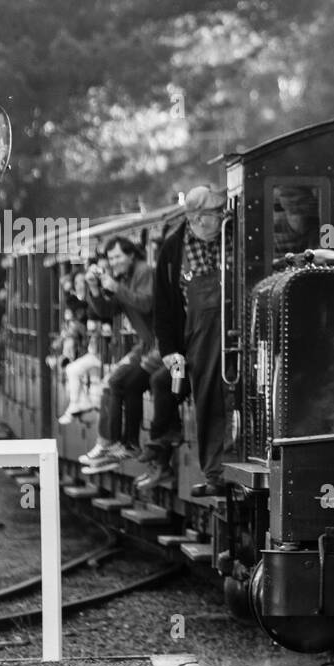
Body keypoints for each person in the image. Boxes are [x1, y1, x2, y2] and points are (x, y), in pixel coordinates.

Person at [153, 185, 230, 497]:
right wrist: (169, 350)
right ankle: (216, 471)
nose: (223, 216)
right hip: (199, 336)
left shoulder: (231, 233)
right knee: (208, 398)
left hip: (237, 325)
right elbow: (164, 305)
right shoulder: (173, 251)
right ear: (197, 219)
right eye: (215, 214)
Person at [78, 237, 158, 475]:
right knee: (115, 383)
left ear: (131, 255)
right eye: (110, 258)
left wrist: (115, 288)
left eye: (117, 257)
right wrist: (94, 288)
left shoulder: (144, 272)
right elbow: (107, 310)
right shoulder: (122, 278)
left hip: (160, 344)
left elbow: (146, 304)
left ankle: (118, 443)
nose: (113, 262)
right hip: (146, 344)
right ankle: (115, 443)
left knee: (121, 382)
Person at [58, 262, 103, 424]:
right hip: (86, 349)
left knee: (74, 370)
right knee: (68, 366)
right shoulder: (74, 303)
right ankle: (77, 404)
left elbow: (89, 326)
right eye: (76, 283)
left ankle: (78, 406)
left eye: (82, 282)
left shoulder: (93, 302)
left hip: (99, 351)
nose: (79, 286)